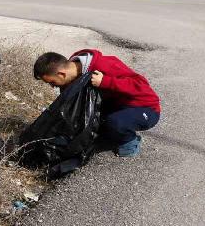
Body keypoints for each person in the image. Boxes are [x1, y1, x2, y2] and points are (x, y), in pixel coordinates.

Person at [32, 50, 160, 158]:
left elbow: (142, 85)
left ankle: (130, 141)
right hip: (115, 106)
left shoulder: (102, 64)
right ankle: (113, 129)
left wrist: (106, 81)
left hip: (145, 107)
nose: (52, 86)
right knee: (90, 130)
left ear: (62, 74)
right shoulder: (70, 77)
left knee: (116, 123)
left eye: (52, 82)